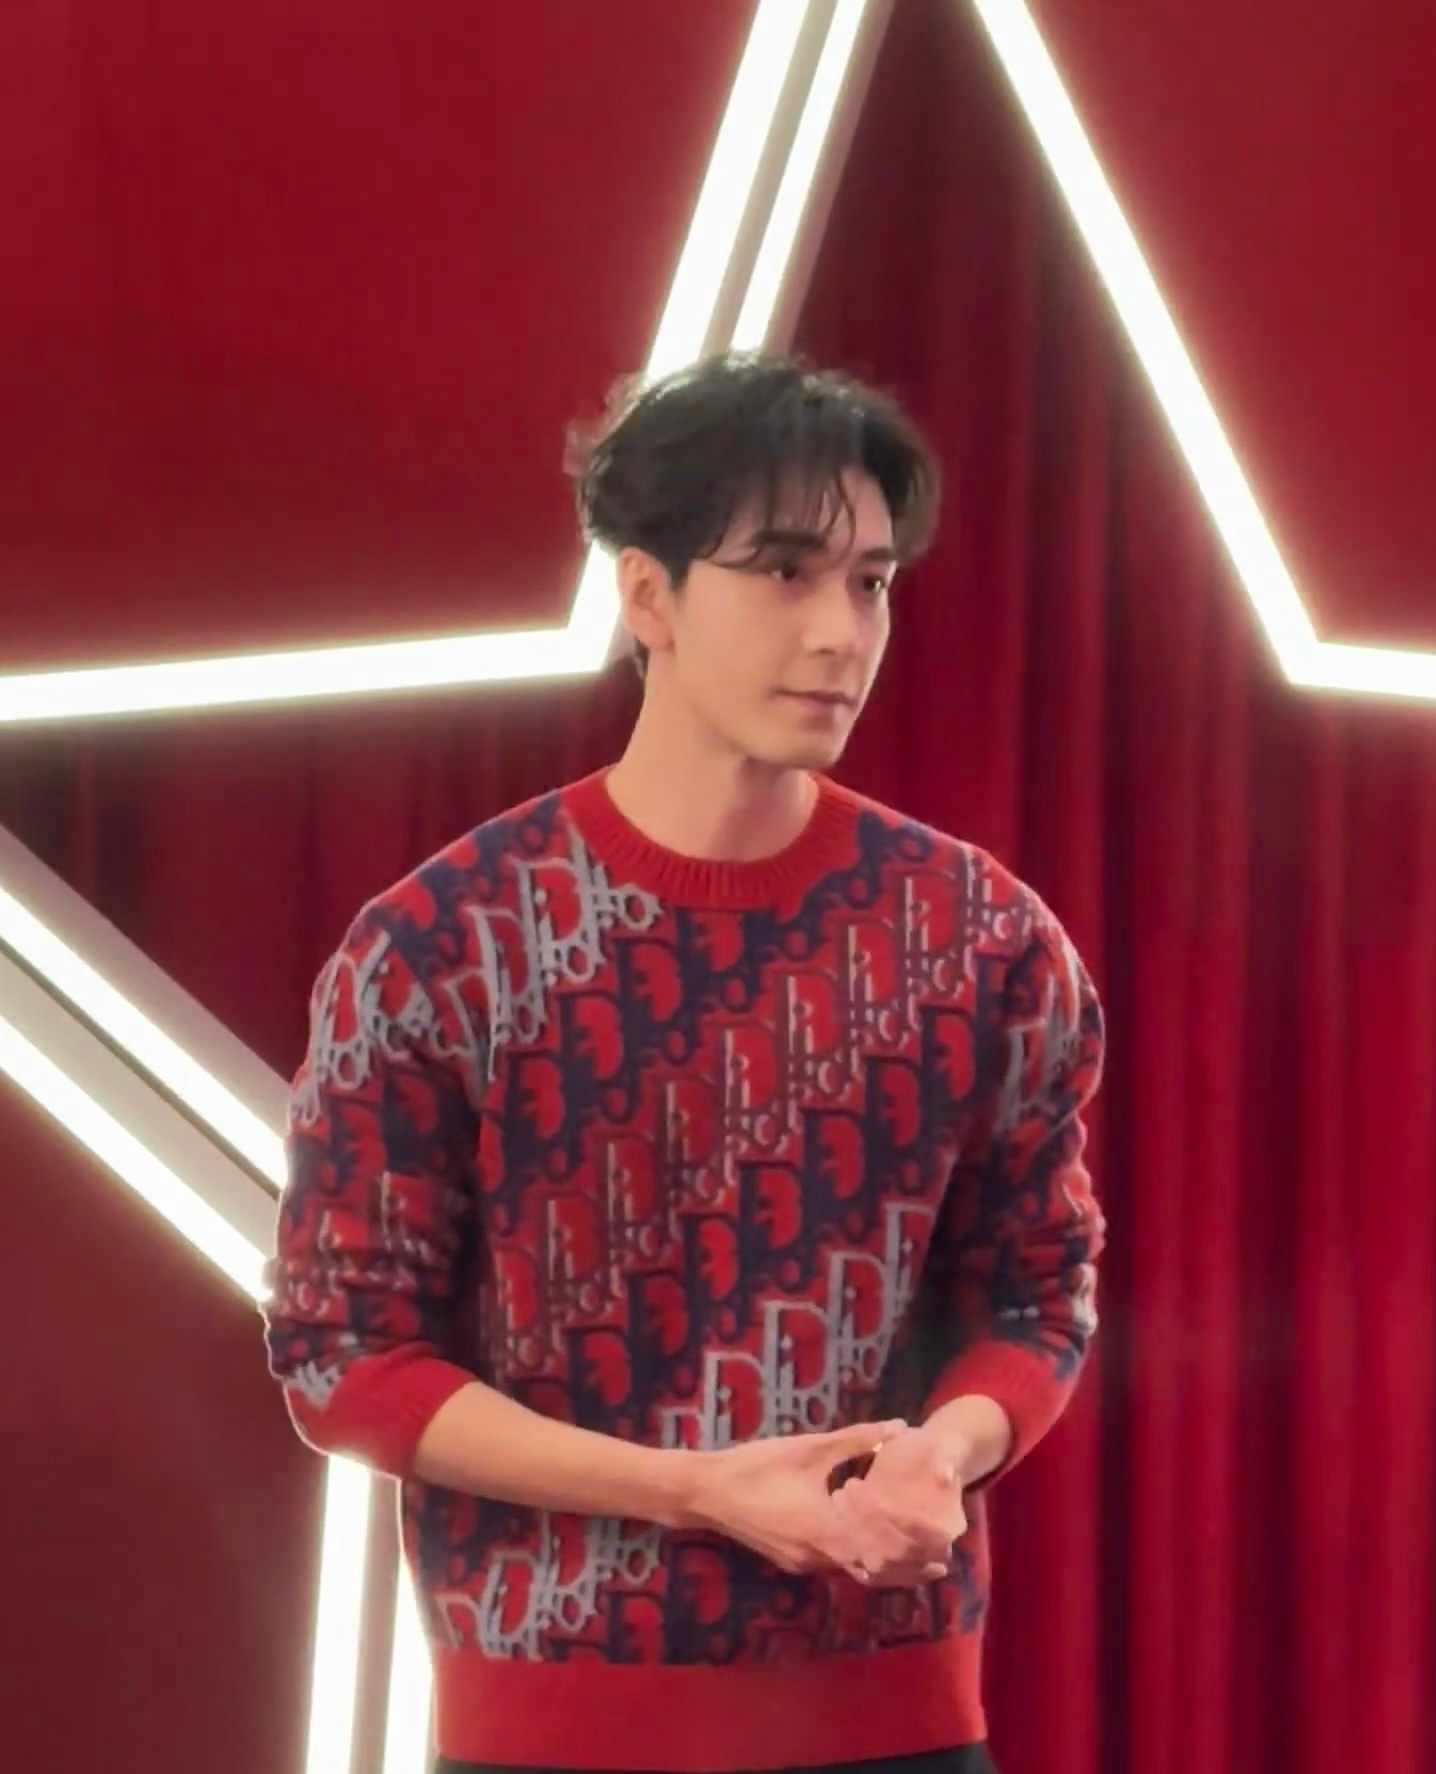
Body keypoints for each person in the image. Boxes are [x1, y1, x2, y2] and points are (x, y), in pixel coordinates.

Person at [263, 351, 1106, 1774]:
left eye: (871, 581)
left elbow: (1039, 1289)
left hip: (897, 1726)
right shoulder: (444, 943)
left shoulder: (980, 935)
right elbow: (343, 1356)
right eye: (783, 572)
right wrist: (698, 1489)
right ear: (645, 594)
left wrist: (945, 1451)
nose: (840, 632)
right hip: (545, 1732)